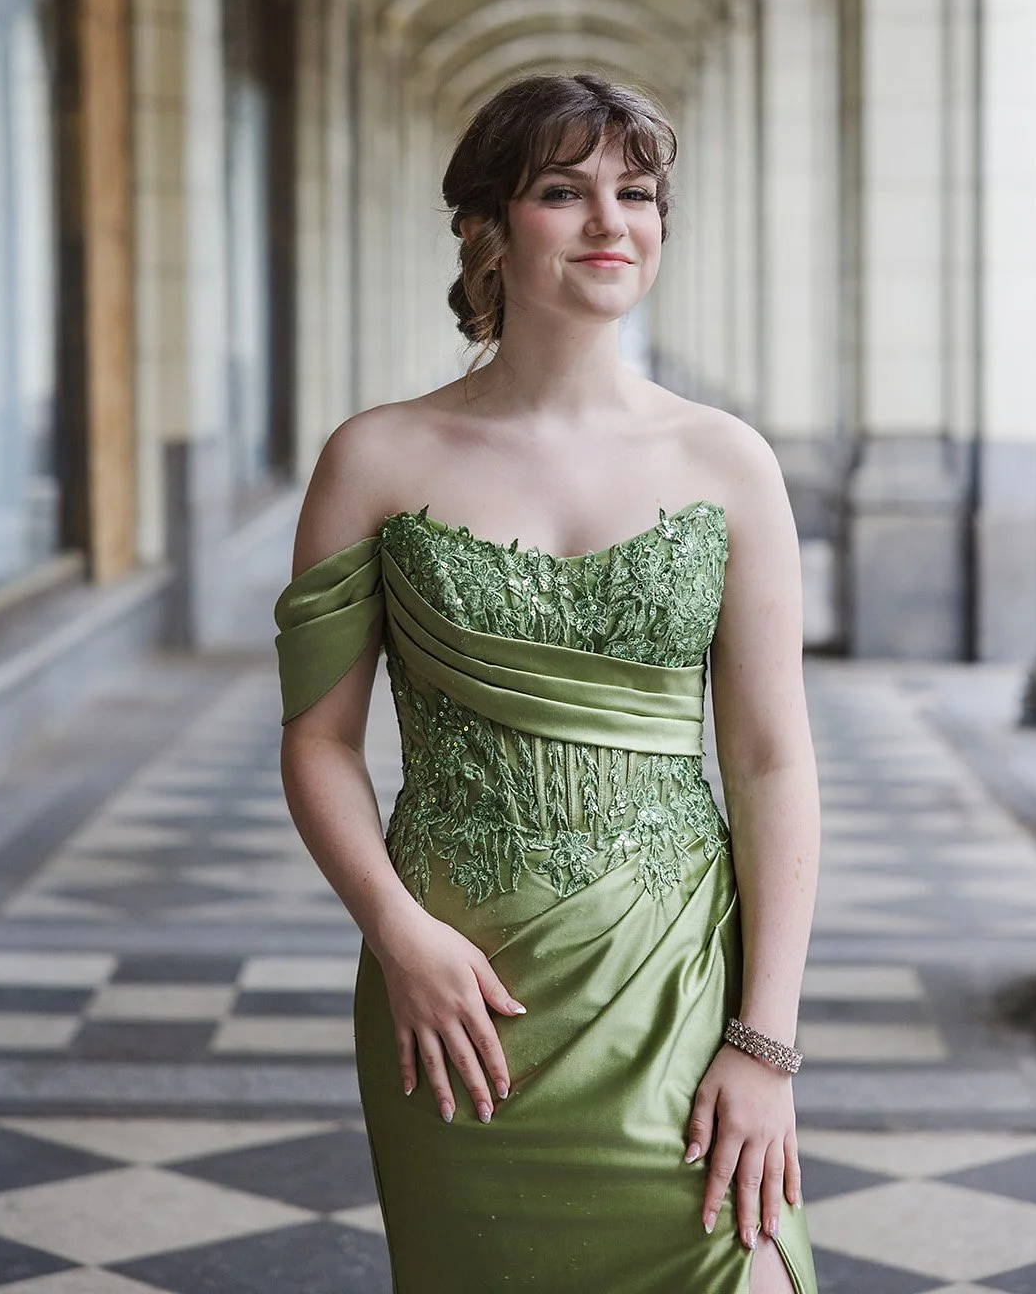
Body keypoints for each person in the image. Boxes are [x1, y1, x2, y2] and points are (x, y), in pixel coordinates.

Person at [275, 74, 819, 1292]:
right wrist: (395, 931)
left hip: (675, 978)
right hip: (457, 989)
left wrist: (765, 1042)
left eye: (637, 194)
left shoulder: (727, 460)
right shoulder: (375, 455)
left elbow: (770, 760)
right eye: (563, 192)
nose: (610, 222)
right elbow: (317, 742)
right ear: (487, 228)